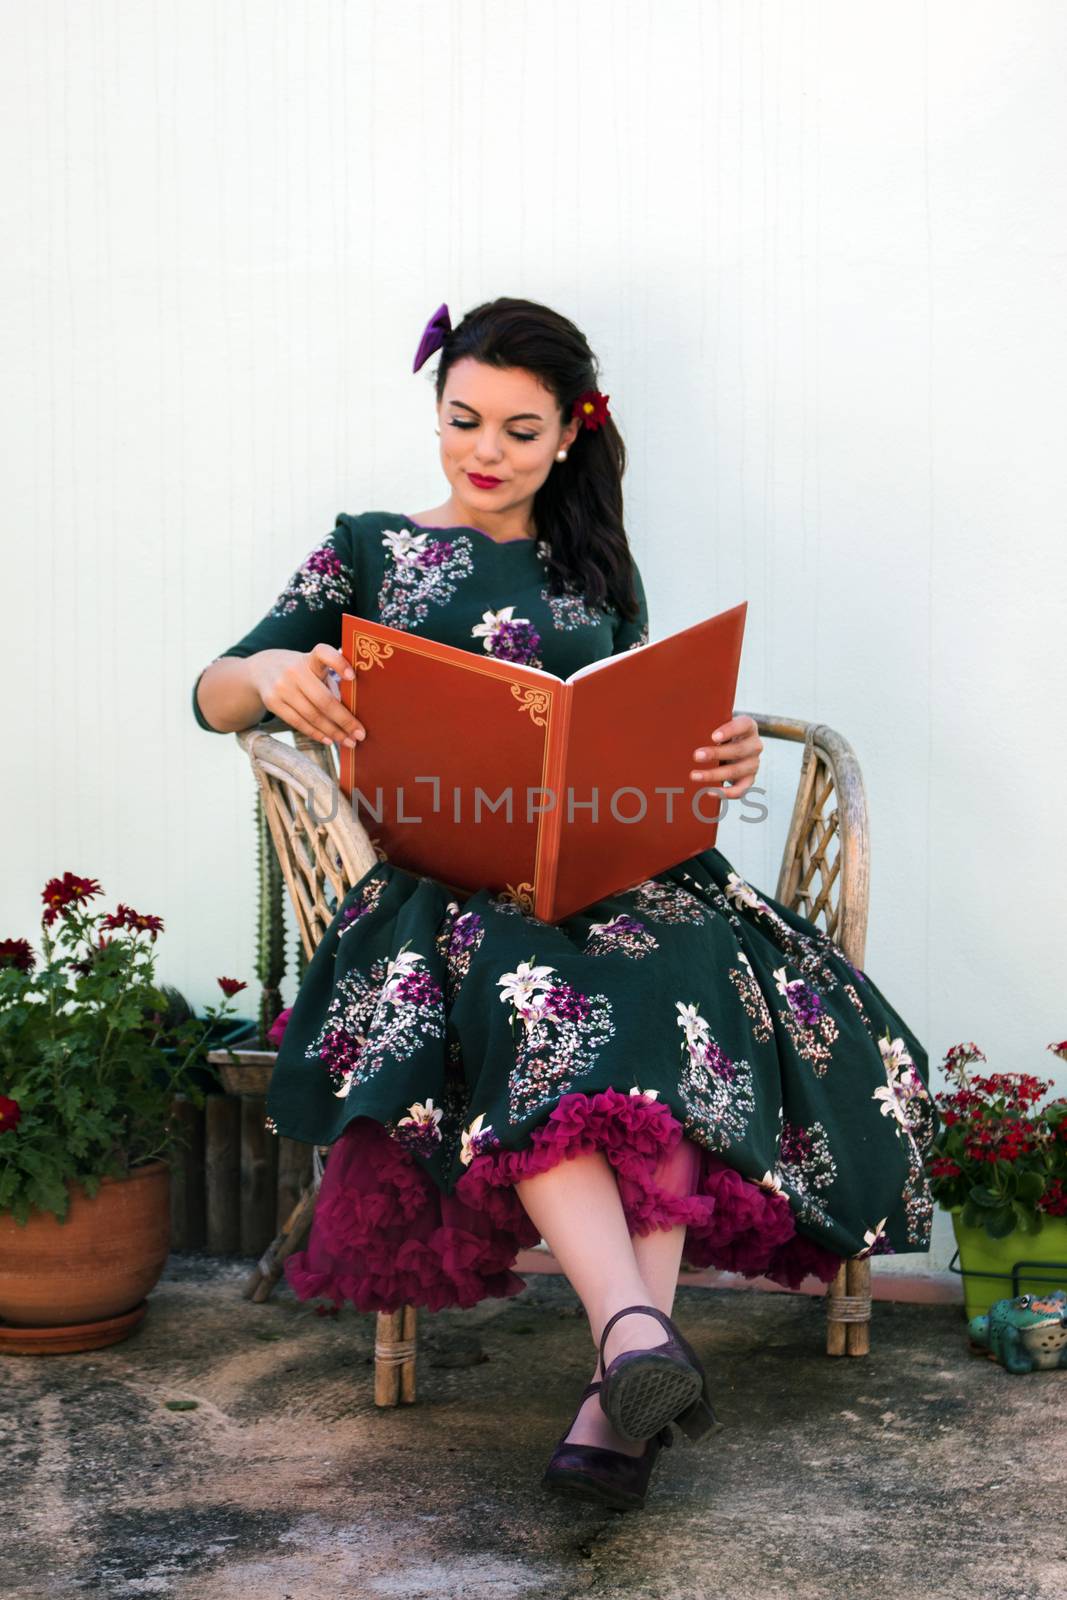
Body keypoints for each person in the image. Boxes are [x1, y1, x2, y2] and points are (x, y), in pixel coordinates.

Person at [192, 296, 939, 1513]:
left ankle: (625, 1364)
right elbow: (216, 691)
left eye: (519, 431)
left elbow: (644, 720)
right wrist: (274, 671)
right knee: (527, 984)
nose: (483, 452)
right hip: (443, 892)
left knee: (678, 968)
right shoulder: (366, 550)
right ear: (435, 408)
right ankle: (630, 1346)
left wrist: (722, 757)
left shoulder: (594, 562)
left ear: (569, 434)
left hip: (614, 876)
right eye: (462, 420)